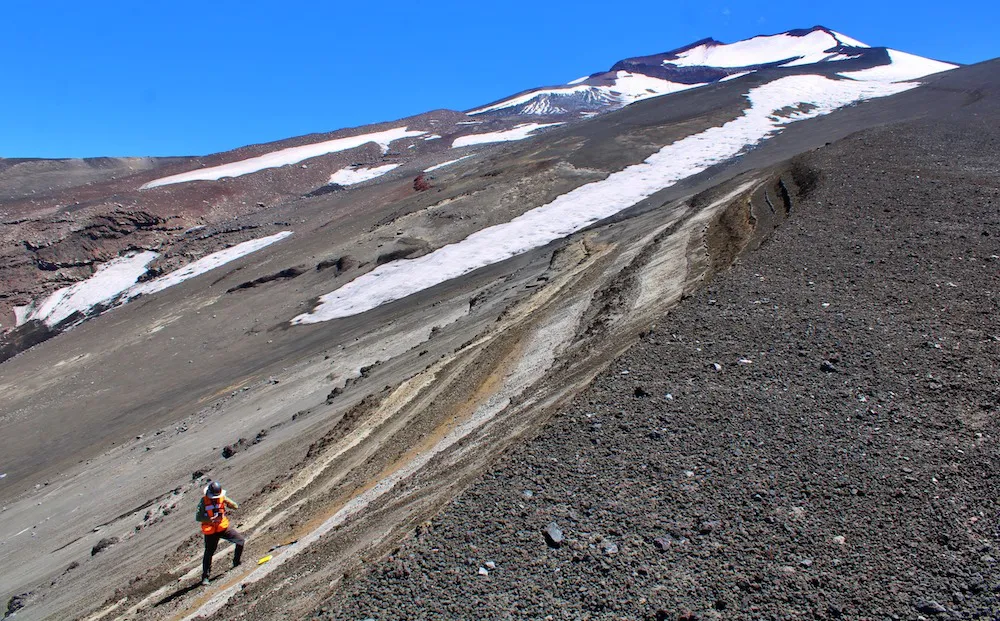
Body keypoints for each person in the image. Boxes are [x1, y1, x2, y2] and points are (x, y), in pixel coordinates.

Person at [196, 480, 246, 585]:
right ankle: (205, 577)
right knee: (209, 553)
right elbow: (198, 517)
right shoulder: (203, 501)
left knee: (240, 541)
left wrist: (229, 504)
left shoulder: (222, 498)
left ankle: (236, 562)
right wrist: (210, 519)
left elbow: (235, 506)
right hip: (210, 531)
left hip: (222, 528)